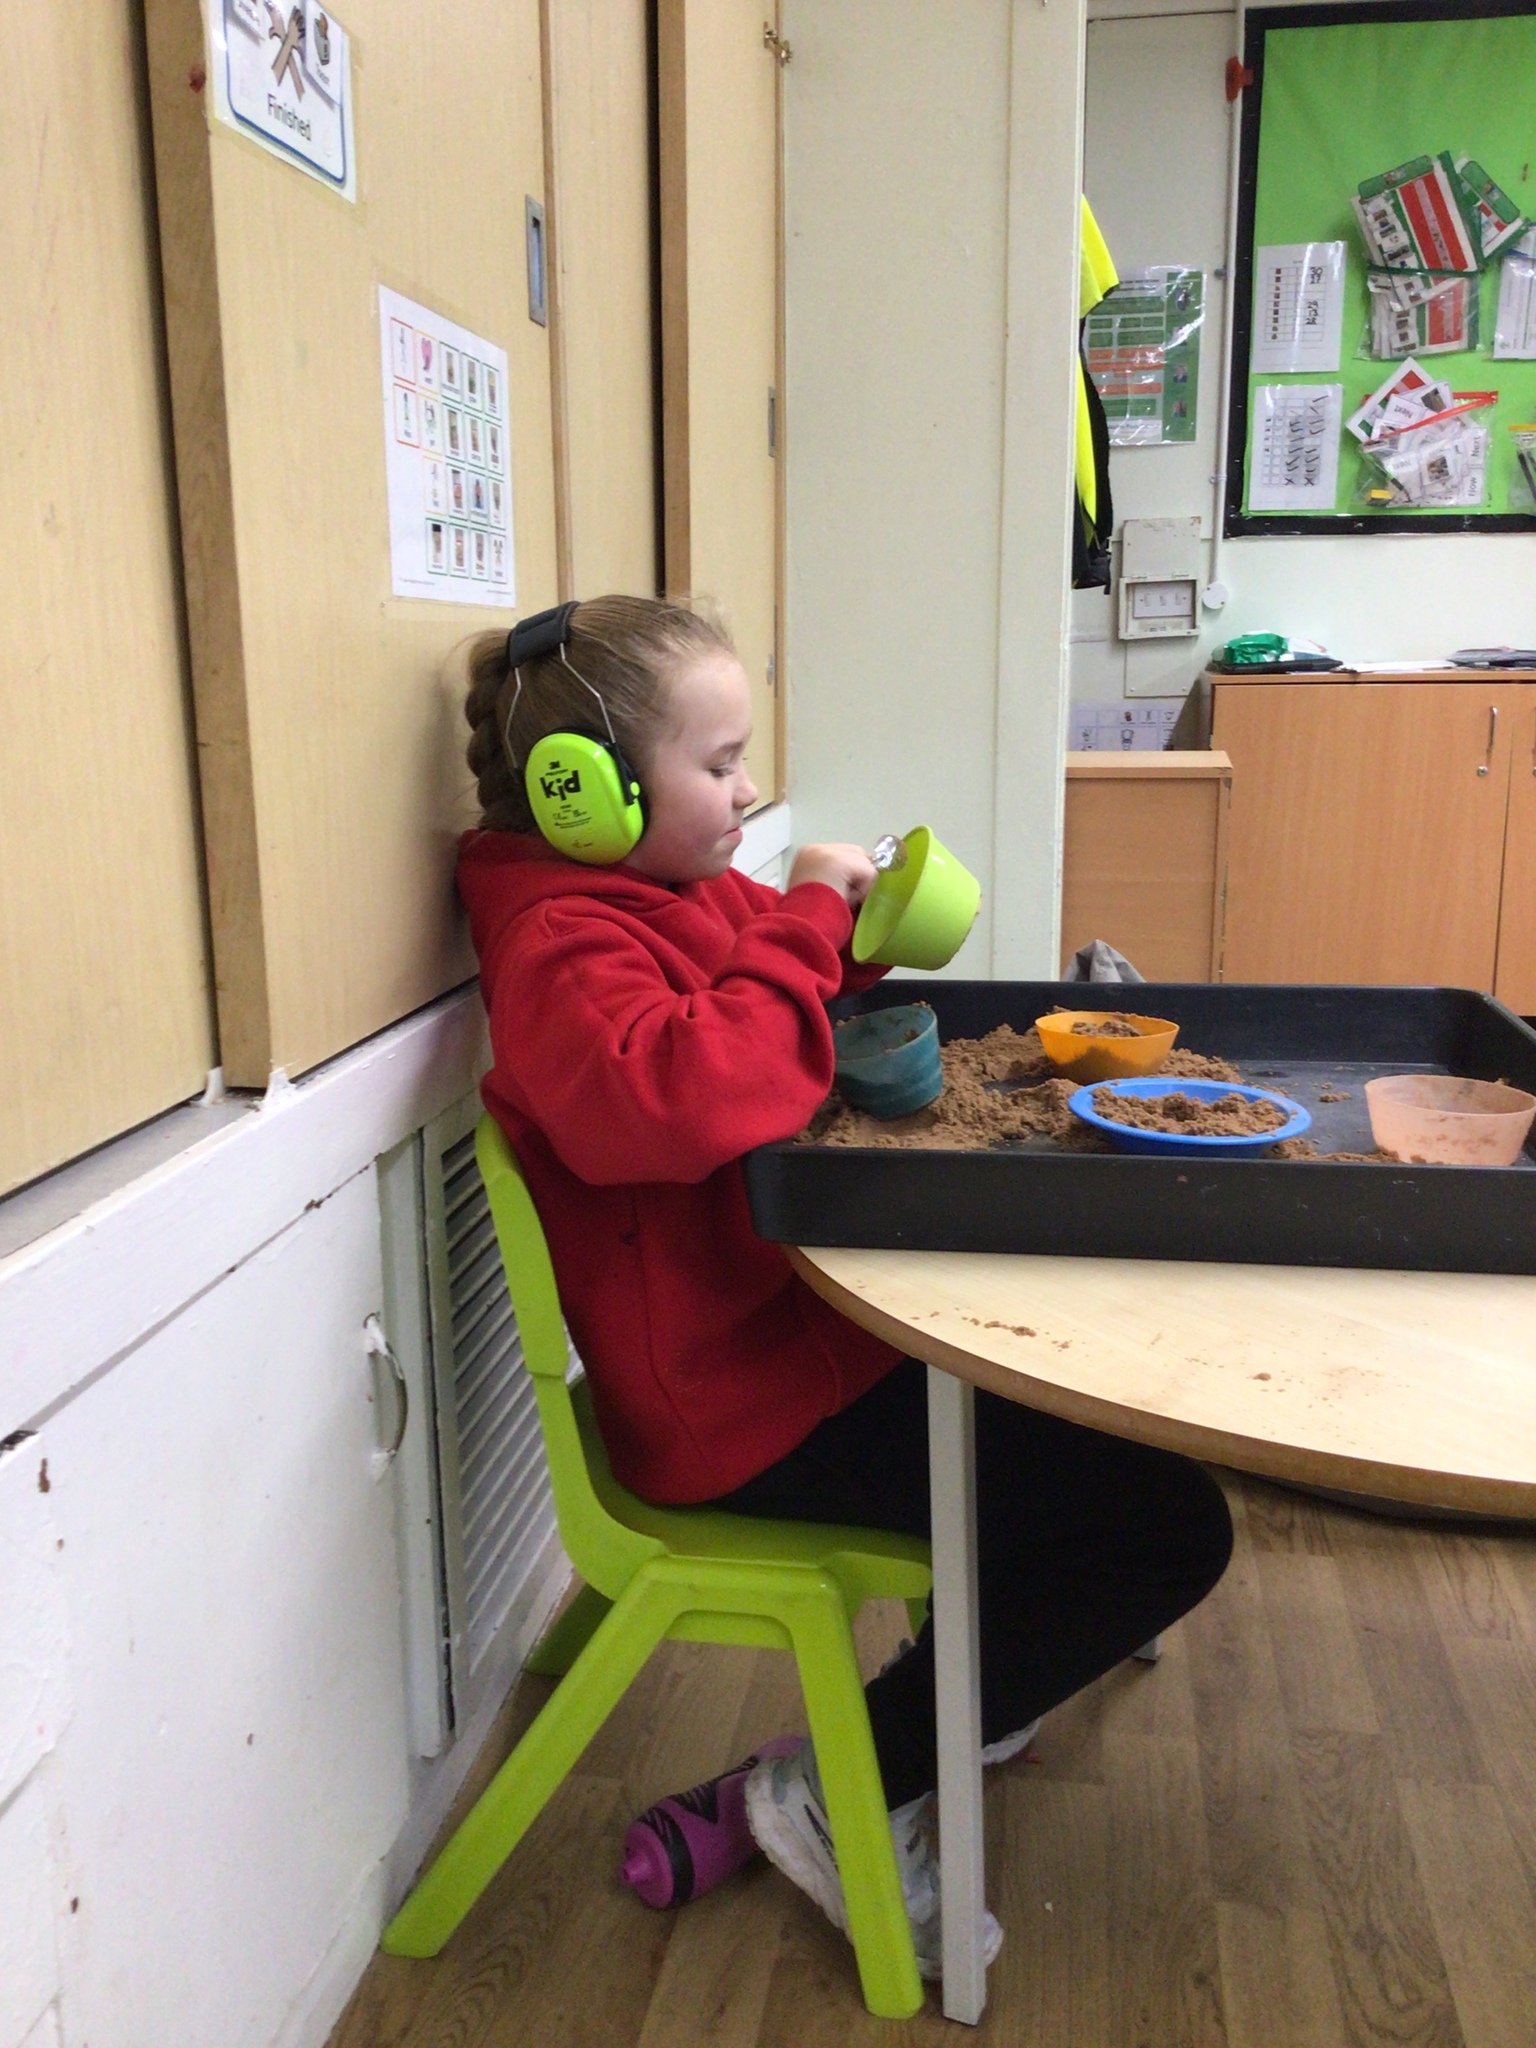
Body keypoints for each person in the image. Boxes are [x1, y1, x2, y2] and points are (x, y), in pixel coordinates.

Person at [457, 594, 1233, 1980]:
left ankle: (957, 1695)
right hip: (740, 1412)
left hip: (803, 1345)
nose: (749, 790)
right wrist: (810, 912)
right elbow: (691, 1090)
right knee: (1166, 1531)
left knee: (1097, 1425)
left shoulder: (664, 891)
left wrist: (852, 922)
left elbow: (763, 977)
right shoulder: (561, 952)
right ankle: (841, 1782)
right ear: (583, 793)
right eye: (719, 765)